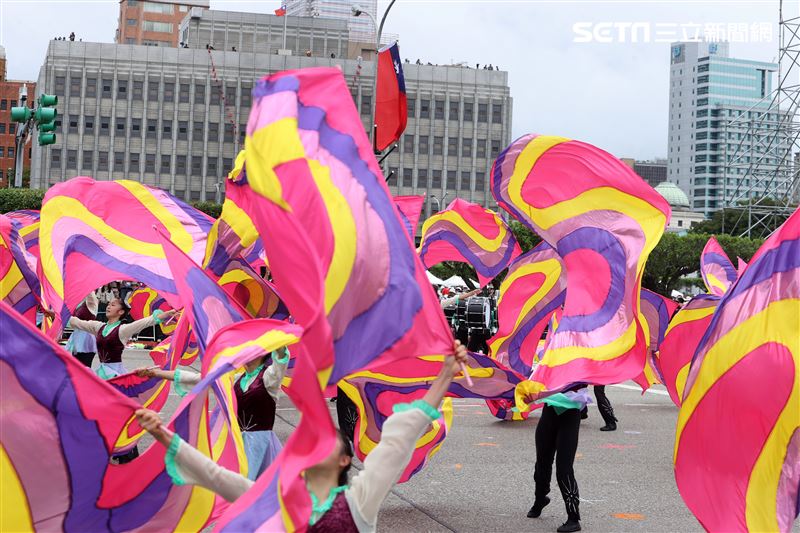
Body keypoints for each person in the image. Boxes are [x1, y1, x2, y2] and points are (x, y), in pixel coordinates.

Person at [136, 340, 469, 531]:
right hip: (245, 437)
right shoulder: (281, 503)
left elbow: (398, 441)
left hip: (258, 436)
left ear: (344, 459)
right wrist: (163, 435)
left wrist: (443, 376)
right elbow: (216, 476)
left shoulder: (359, 501)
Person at [136, 346, 290, 480]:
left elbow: (281, 359)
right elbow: (197, 379)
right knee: (229, 487)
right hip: (233, 441)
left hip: (259, 444)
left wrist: (277, 340)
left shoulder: (270, 378)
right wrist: (156, 373)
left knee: (251, 488)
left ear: (263, 353)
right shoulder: (234, 379)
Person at [523, 385, 591, 532]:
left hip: (569, 418)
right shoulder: (551, 362)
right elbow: (540, 379)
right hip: (549, 415)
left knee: (564, 469)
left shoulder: (581, 364)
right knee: (542, 462)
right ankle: (540, 499)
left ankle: (573, 518)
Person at [66, 298, 175, 379]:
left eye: (113, 305)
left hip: (115, 373)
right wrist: (56, 315)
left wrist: (165, 315)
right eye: (108, 304)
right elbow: (77, 323)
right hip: (102, 372)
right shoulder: (99, 327)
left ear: (121, 312)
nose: (108, 306)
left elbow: (144, 322)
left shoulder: (122, 330)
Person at [66, 292, 99, 367]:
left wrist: (85, 282)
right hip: (77, 337)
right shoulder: (80, 303)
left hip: (87, 338)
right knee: (77, 366)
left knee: (85, 366)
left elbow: (89, 291)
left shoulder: (92, 303)